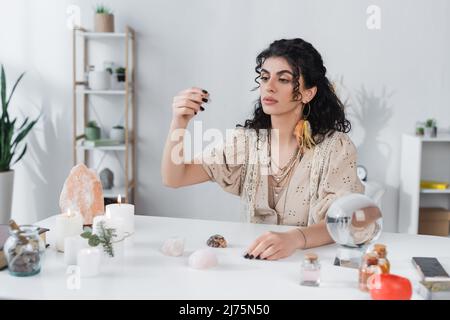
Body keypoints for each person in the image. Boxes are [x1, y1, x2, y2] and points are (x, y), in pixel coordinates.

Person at [162, 38, 381, 260]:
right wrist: (179, 121)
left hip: (312, 268)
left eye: (283, 79)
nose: (269, 86)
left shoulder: (336, 148)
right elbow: (175, 178)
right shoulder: (245, 143)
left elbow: (348, 220)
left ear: (308, 93)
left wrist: (295, 239)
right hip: (257, 265)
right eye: (265, 77)